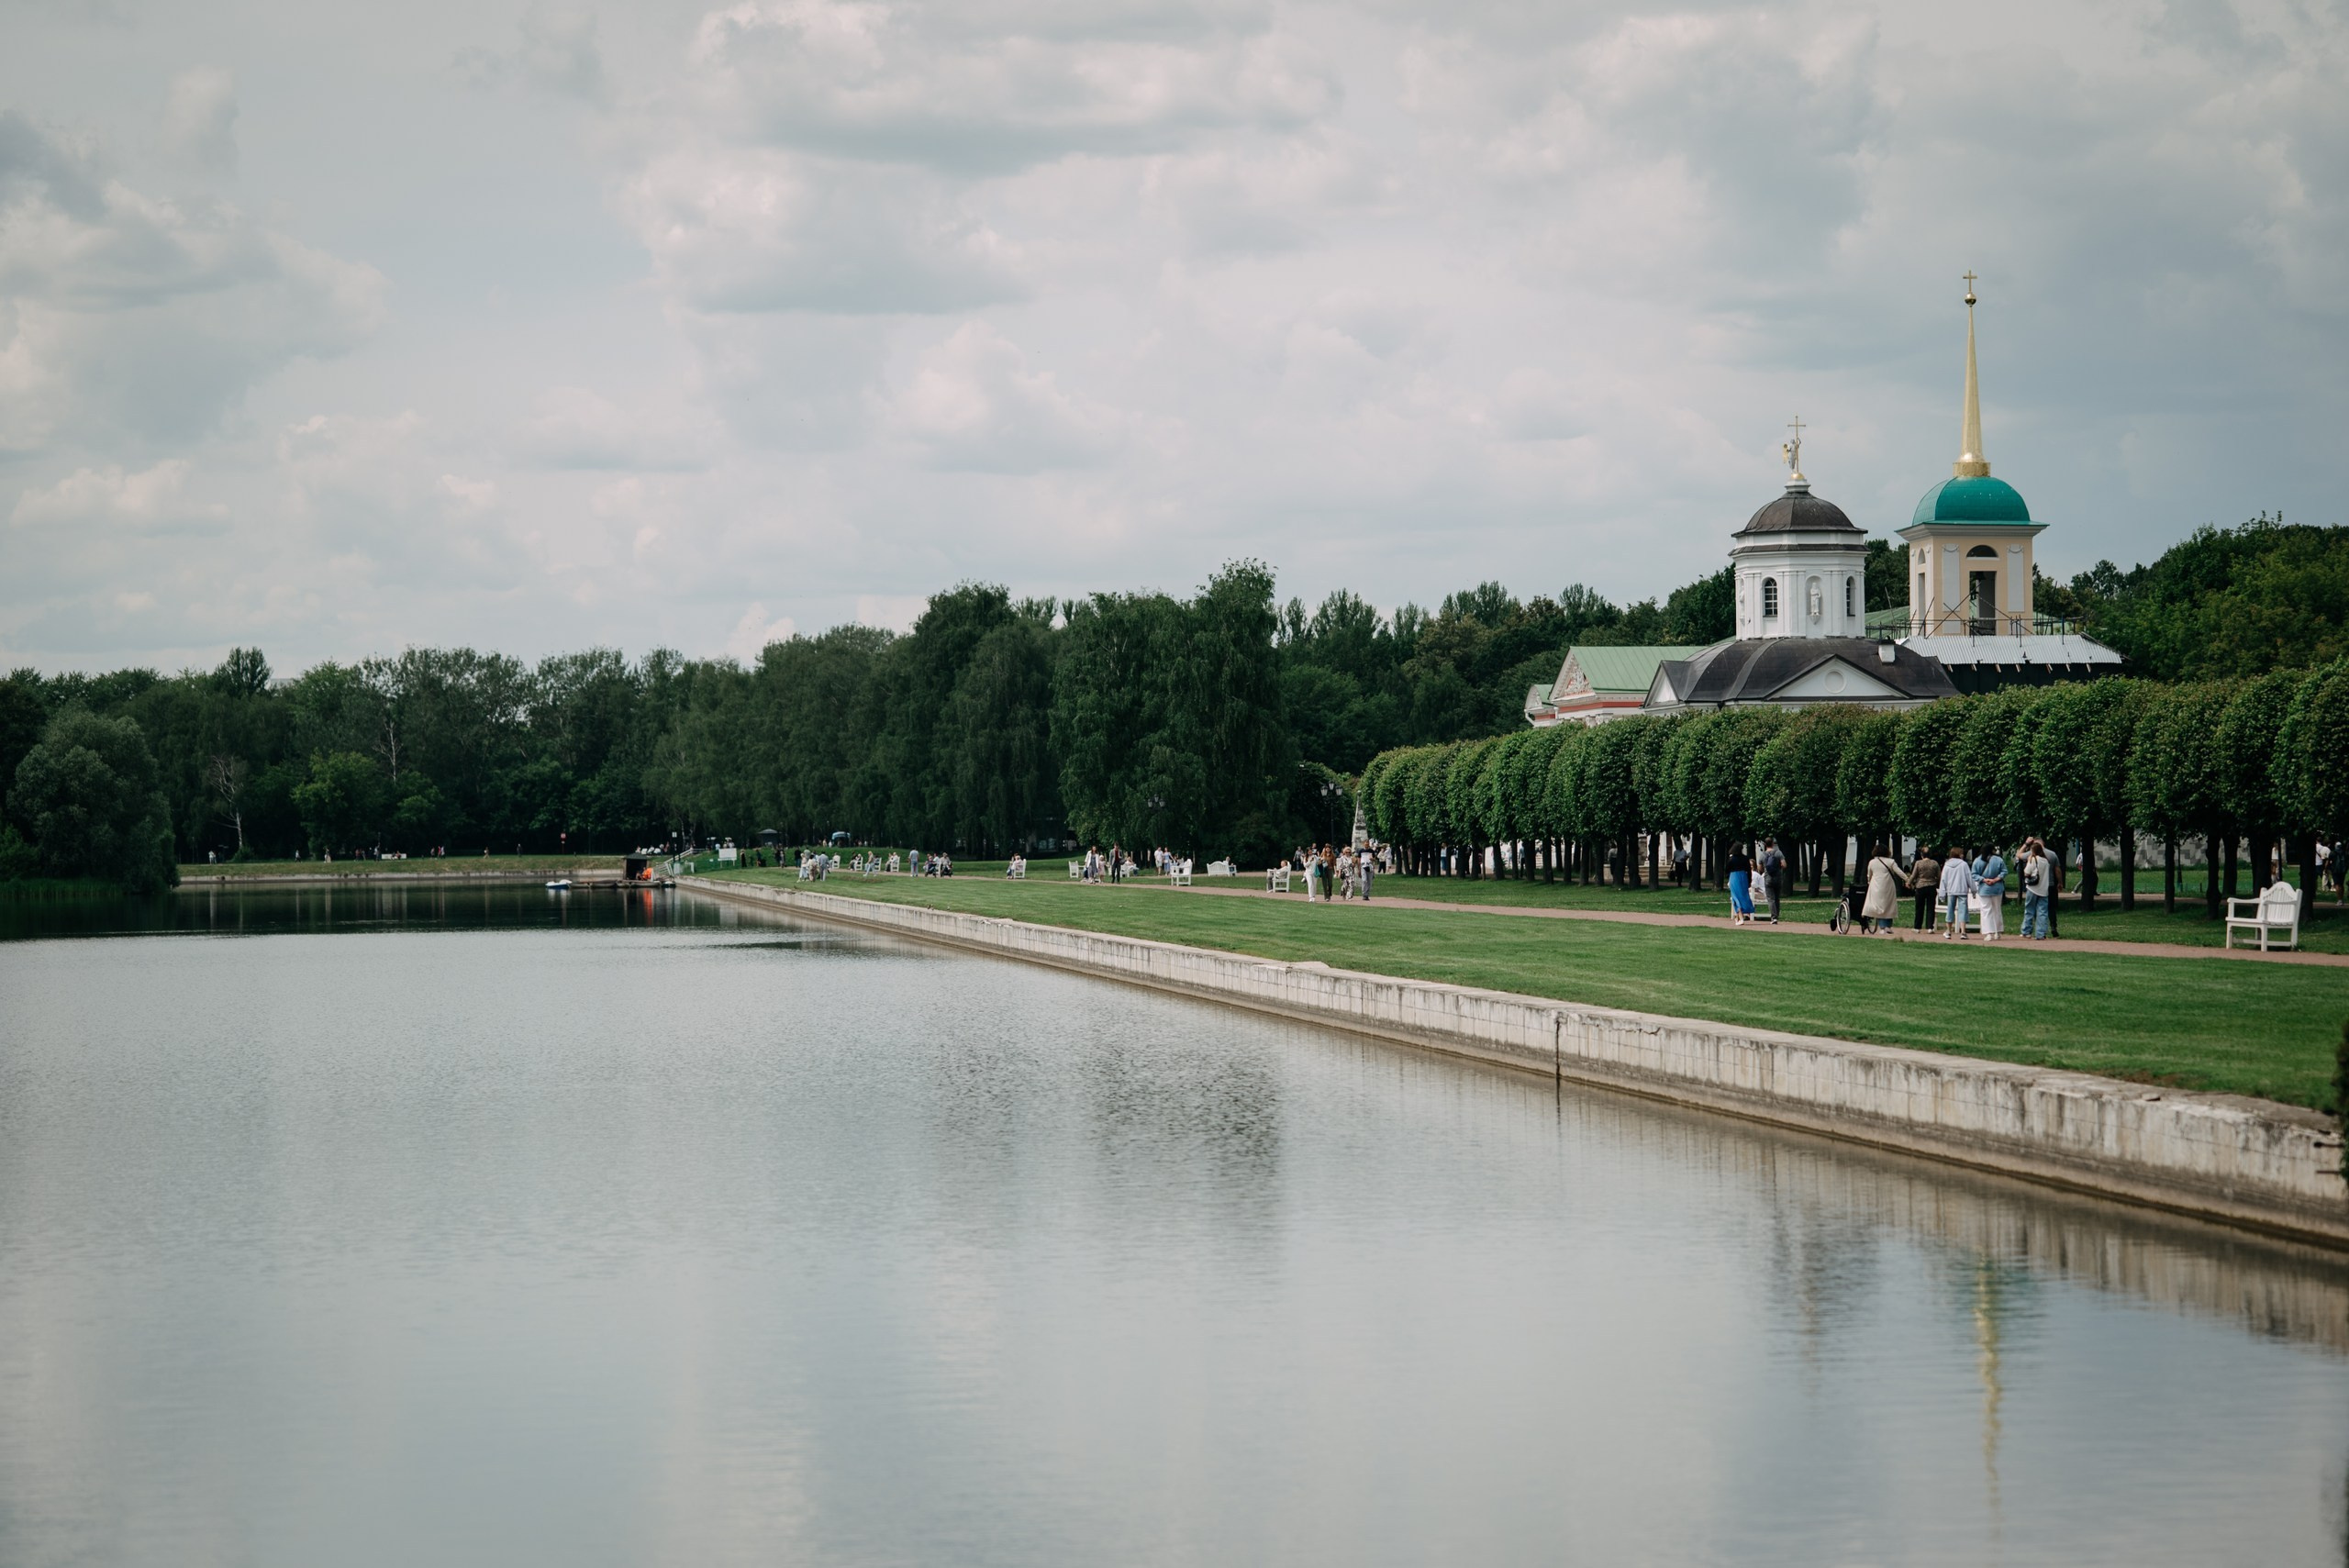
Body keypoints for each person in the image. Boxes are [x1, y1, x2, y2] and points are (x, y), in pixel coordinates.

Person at [1862, 844, 1904, 933]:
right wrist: (1908, 880)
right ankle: (1888, 926)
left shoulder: (1872, 862)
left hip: (1876, 885)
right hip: (1888, 885)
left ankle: (1882, 927)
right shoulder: (1891, 861)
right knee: (1889, 905)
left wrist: (1870, 883)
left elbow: (1869, 875)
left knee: (1879, 906)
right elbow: (1899, 872)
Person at [2020, 838, 2053, 940]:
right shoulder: (2046, 861)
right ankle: (2041, 934)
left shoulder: (2033, 859)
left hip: (2033, 888)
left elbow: (2027, 872)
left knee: (2029, 910)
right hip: (2043, 889)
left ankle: (2026, 931)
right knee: (2042, 912)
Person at [1939, 846, 1974, 940]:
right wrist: (1973, 889)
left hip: (1951, 890)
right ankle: (1963, 932)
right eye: (1961, 853)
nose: (1963, 854)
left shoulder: (1947, 865)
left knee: (1950, 910)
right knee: (1963, 911)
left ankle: (1949, 931)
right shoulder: (1964, 865)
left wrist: (1942, 894)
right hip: (1962, 890)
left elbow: (1943, 880)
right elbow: (1969, 878)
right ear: (1958, 854)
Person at [1974, 844, 2008, 940]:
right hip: (1997, 888)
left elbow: (1974, 874)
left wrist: (1984, 880)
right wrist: (1996, 879)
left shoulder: (1977, 860)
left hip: (1984, 889)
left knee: (1986, 911)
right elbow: (2004, 872)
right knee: (1997, 910)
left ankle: (1988, 933)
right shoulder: (1999, 860)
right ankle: (1997, 932)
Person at [1908, 845, 1942, 932]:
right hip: (1931, 886)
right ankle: (1930, 927)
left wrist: (1909, 883)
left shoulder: (1918, 863)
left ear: (1922, 854)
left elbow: (1914, 875)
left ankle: (1917, 927)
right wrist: (1937, 884)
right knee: (1931, 907)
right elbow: (1939, 876)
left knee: (1919, 907)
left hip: (1920, 886)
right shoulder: (1935, 863)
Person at [1725, 842, 1754, 924]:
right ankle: (1738, 918)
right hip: (1743, 877)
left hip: (1734, 877)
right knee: (1743, 896)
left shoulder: (1731, 859)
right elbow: (1749, 871)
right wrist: (1749, 881)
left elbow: (1727, 870)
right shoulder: (1745, 858)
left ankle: (1741, 918)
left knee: (1735, 897)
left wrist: (1729, 877)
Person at [1759, 839, 1787, 924]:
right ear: (1773, 843)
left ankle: (1773, 917)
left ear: (1765, 844)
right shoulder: (1778, 853)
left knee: (1771, 899)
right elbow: (1784, 865)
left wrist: (1765, 870)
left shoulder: (1763, 855)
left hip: (1768, 878)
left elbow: (1759, 868)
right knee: (1777, 898)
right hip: (1778, 877)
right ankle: (1777, 916)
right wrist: (1779, 868)